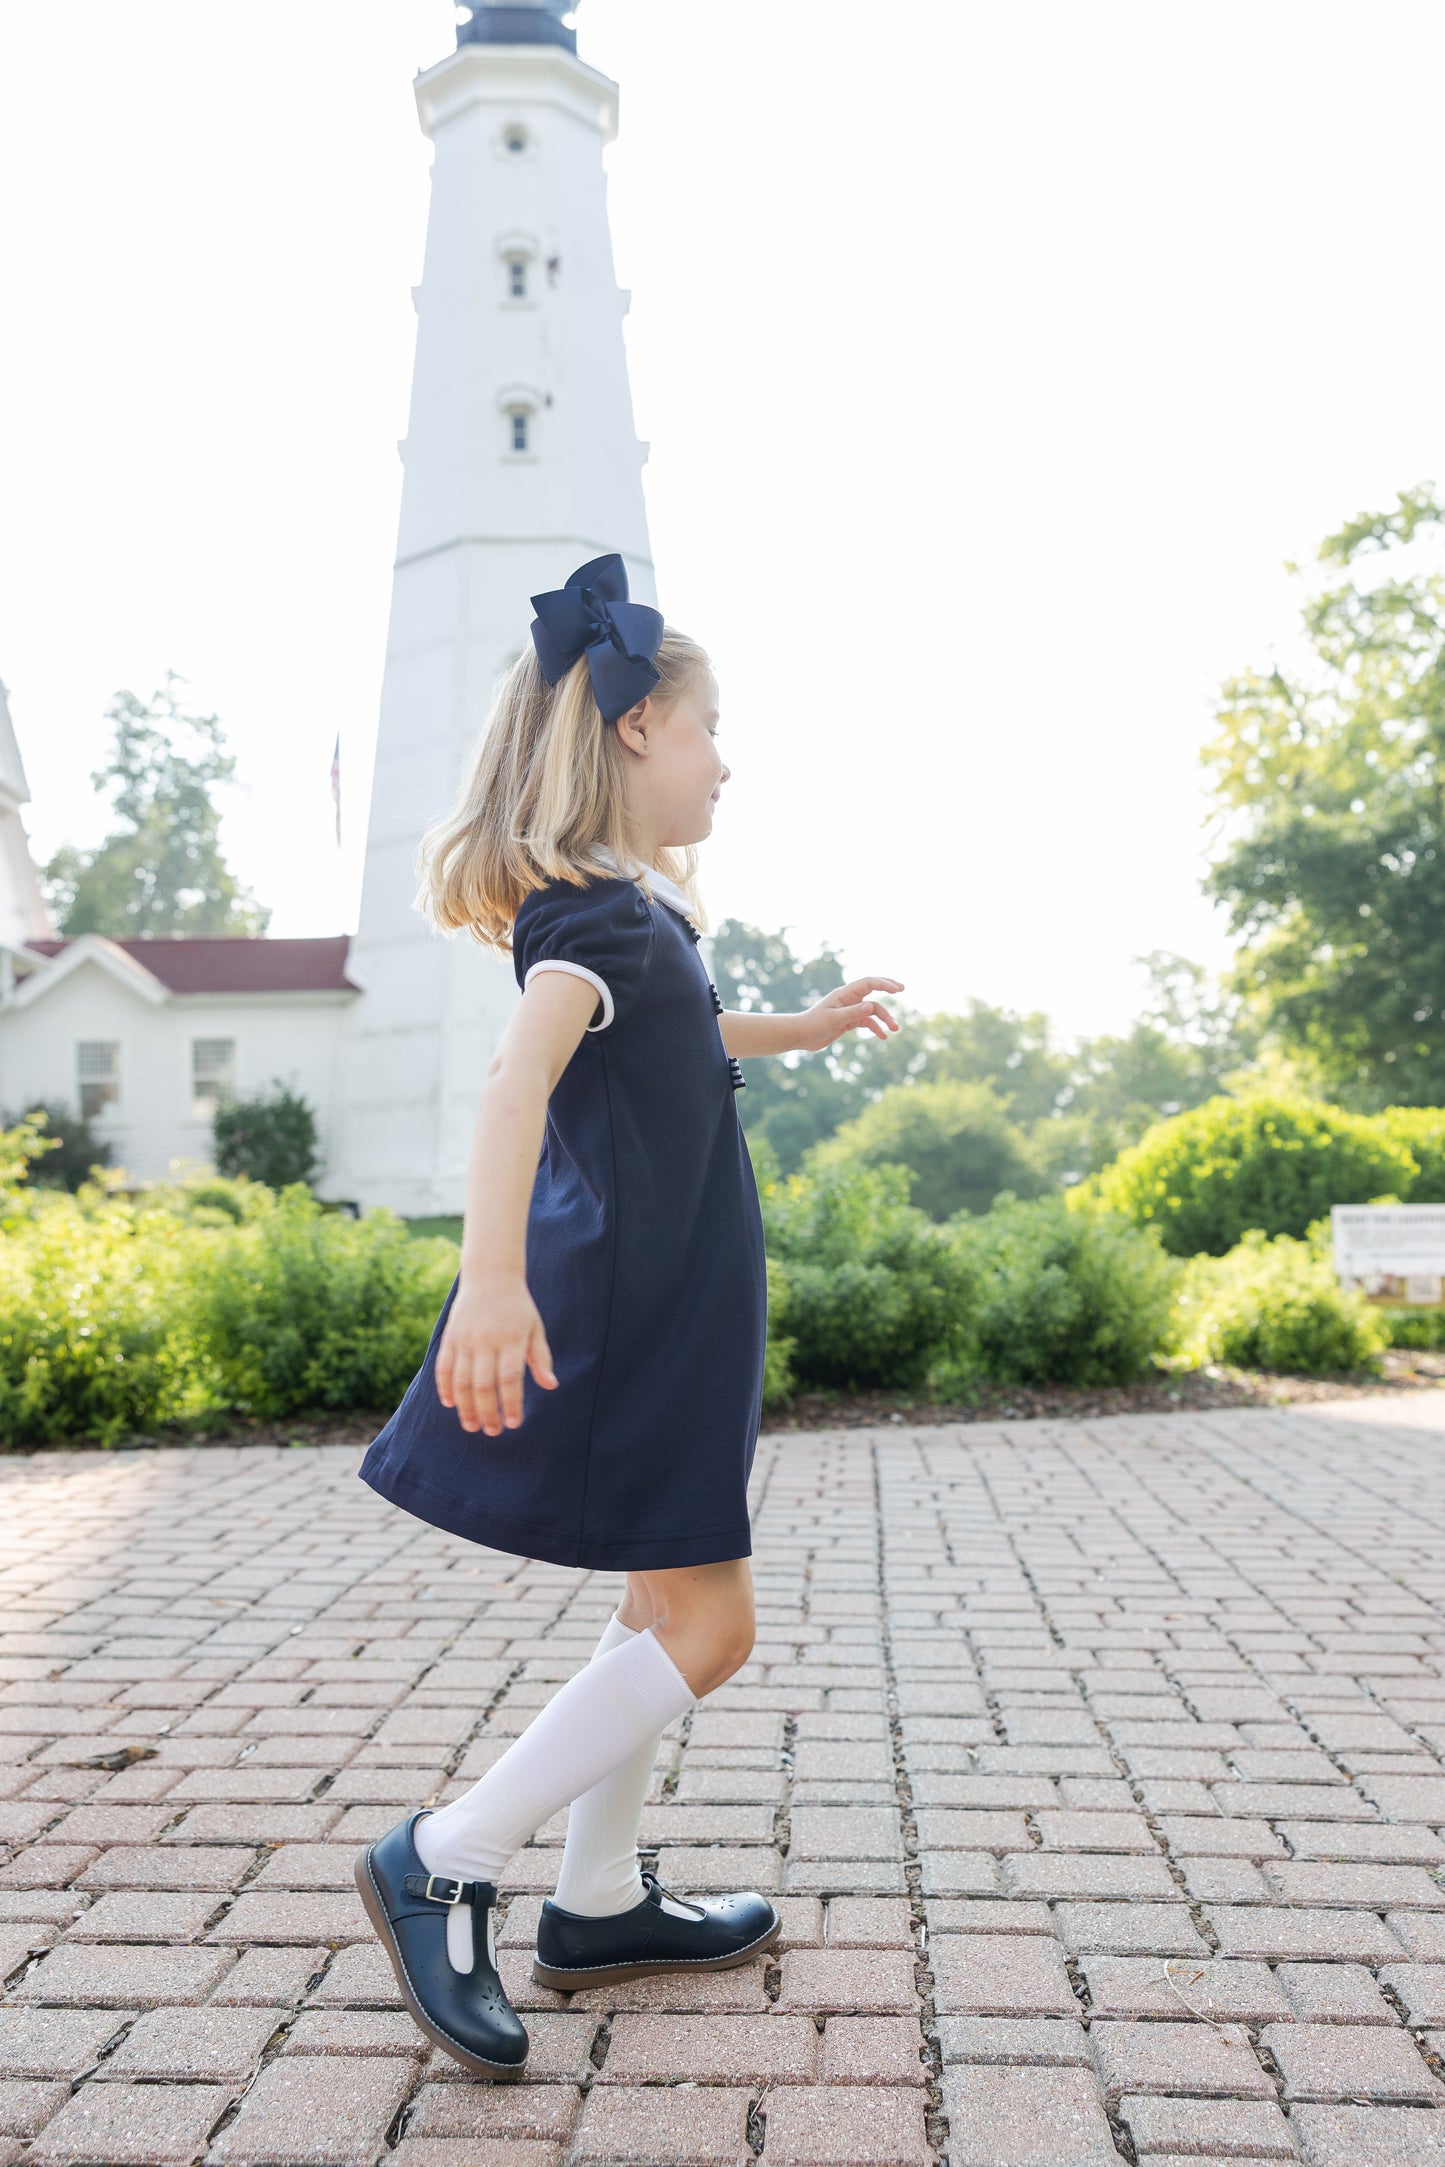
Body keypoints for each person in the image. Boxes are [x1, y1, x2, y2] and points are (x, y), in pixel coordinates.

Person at [354, 554, 903, 2077]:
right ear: (638, 728)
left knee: (657, 1611)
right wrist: (488, 1274)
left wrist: (801, 1025)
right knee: (708, 1628)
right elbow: (518, 1080)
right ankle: (445, 1857)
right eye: (712, 730)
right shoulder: (587, 921)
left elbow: (679, 1035)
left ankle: (595, 1902)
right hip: (637, 1320)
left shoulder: (631, 919)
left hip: (680, 1317)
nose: (727, 760)